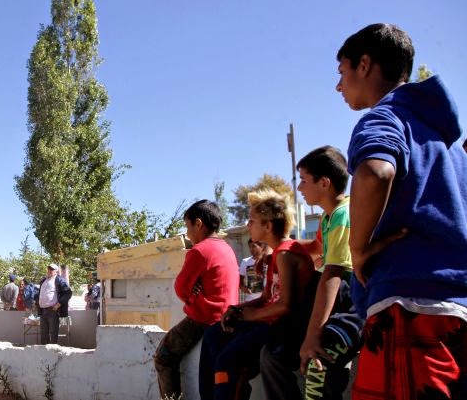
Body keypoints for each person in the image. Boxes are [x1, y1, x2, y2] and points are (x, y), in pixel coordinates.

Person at [335, 23, 467, 399]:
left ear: (364, 64)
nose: (339, 86)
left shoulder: (385, 118)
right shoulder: (448, 146)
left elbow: (375, 173)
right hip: (455, 313)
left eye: (342, 72)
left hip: (409, 313)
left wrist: (357, 250)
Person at [199, 190, 317, 400]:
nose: (247, 225)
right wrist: (237, 310)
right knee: (213, 335)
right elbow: (265, 298)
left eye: (252, 220)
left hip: (281, 328)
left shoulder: (286, 253)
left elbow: (285, 305)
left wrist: (248, 316)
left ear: (268, 226)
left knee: (228, 360)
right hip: (265, 322)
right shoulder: (275, 255)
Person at [261, 145, 356, 400]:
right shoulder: (328, 217)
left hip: (347, 305)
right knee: (272, 354)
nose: (300, 188)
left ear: (324, 183)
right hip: (329, 300)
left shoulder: (342, 216)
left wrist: (313, 335)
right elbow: (315, 248)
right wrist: (278, 244)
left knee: (318, 367)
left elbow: (334, 275)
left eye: (304, 181)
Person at [154, 200, 239, 399]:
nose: (188, 234)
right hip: (228, 317)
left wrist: (194, 296)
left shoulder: (199, 251)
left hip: (204, 317)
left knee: (163, 358)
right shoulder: (227, 249)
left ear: (198, 224)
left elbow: (181, 288)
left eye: (188, 227)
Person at [38, 263, 72, 345]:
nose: (49, 270)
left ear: (56, 271)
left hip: (52, 310)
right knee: (43, 333)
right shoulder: (44, 280)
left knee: (53, 333)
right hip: (43, 310)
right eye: (49, 268)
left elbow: (68, 292)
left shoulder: (59, 280)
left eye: (52, 269)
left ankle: (52, 354)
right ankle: (43, 353)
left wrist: (59, 304)